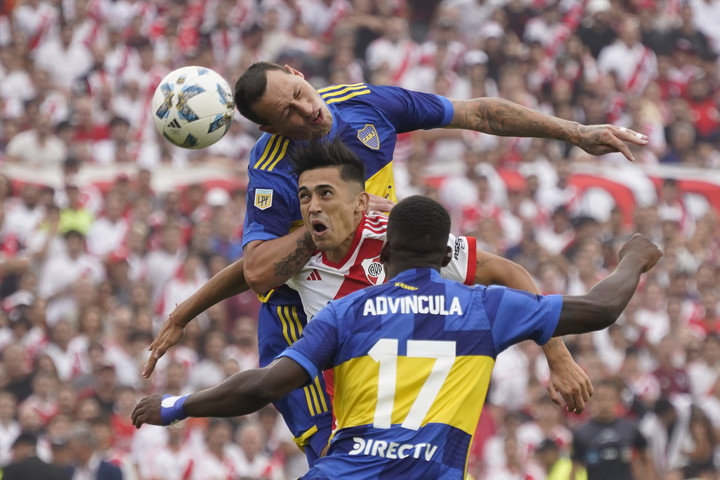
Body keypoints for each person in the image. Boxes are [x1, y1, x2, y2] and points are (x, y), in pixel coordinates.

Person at [143, 61, 649, 462]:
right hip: (303, 317)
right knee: (335, 455)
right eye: (287, 116)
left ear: (298, 74)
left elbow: (480, 114)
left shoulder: (365, 104)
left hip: (376, 280)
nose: (306, 113)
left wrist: (575, 132)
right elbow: (257, 271)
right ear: (270, 130)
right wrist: (326, 228)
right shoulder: (272, 171)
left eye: (298, 95)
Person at [133, 194, 662, 479]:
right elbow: (601, 308)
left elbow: (264, 386)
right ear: (445, 257)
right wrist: (633, 258)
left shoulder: (349, 313)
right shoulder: (485, 308)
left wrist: (176, 406)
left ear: (383, 257)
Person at [570, 380, 656, 480]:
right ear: (593, 401)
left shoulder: (630, 428)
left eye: (609, 399)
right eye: (601, 399)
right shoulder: (582, 433)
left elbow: (647, 459)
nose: (605, 404)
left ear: (616, 400)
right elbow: (574, 470)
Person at [1, 431, 68, 480]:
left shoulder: (10, 470)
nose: (13, 453)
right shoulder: (57, 471)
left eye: (15, 448)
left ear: (23, 446)